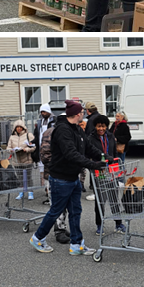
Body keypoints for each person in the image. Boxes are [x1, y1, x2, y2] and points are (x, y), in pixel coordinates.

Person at [29, 101, 105, 255]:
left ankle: (76, 244)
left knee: (75, 210)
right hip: (61, 178)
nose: (83, 115)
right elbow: (71, 153)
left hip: (73, 177)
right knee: (56, 211)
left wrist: (104, 157)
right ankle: (37, 238)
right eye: (82, 112)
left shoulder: (76, 129)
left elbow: (88, 147)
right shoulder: (62, 130)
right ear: (78, 114)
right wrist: (92, 164)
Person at [88, 114, 124, 234]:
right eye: (99, 126)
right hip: (98, 172)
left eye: (103, 126)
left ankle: (118, 223)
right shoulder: (91, 138)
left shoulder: (110, 136)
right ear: (95, 127)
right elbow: (90, 154)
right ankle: (99, 224)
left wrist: (116, 166)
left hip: (111, 171)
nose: (101, 129)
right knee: (100, 200)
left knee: (114, 198)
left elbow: (114, 153)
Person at [8, 119, 36, 200]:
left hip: (27, 159)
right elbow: (8, 147)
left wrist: (26, 149)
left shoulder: (28, 135)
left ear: (24, 127)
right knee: (19, 177)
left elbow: (33, 146)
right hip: (16, 160)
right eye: (17, 127)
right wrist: (11, 150)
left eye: (21, 127)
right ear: (15, 128)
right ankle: (21, 192)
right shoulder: (12, 137)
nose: (19, 129)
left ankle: (30, 192)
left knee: (28, 177)